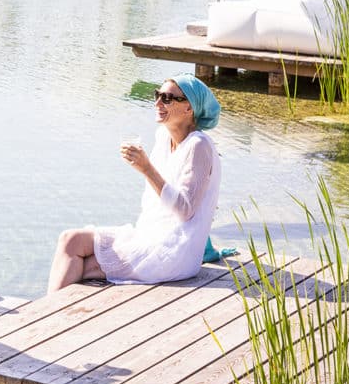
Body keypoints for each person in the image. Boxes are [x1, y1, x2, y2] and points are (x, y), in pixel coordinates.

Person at [47, 75, 222, 293]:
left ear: (189, 108)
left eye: (167, 98)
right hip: (150, 234)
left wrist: (146, 168)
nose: (157, 103)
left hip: (175, 251)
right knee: (70, 239)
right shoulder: (163, 137)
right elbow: (155, 204)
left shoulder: (199, 146)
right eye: (157, 95)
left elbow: (185, 211)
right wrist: (146, 168)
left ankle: (45, 317)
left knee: (81, 266)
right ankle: (48, 312)